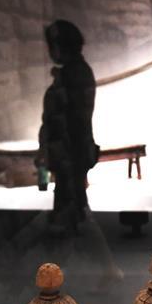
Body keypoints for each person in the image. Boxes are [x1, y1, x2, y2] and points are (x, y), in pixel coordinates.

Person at [36, 20, 99, 235]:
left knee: (70, 206)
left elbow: (69, 120)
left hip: (69, 151)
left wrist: (53, 150)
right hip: (69, 151)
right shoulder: (75, 73)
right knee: (71, 202)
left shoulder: (73, 75)